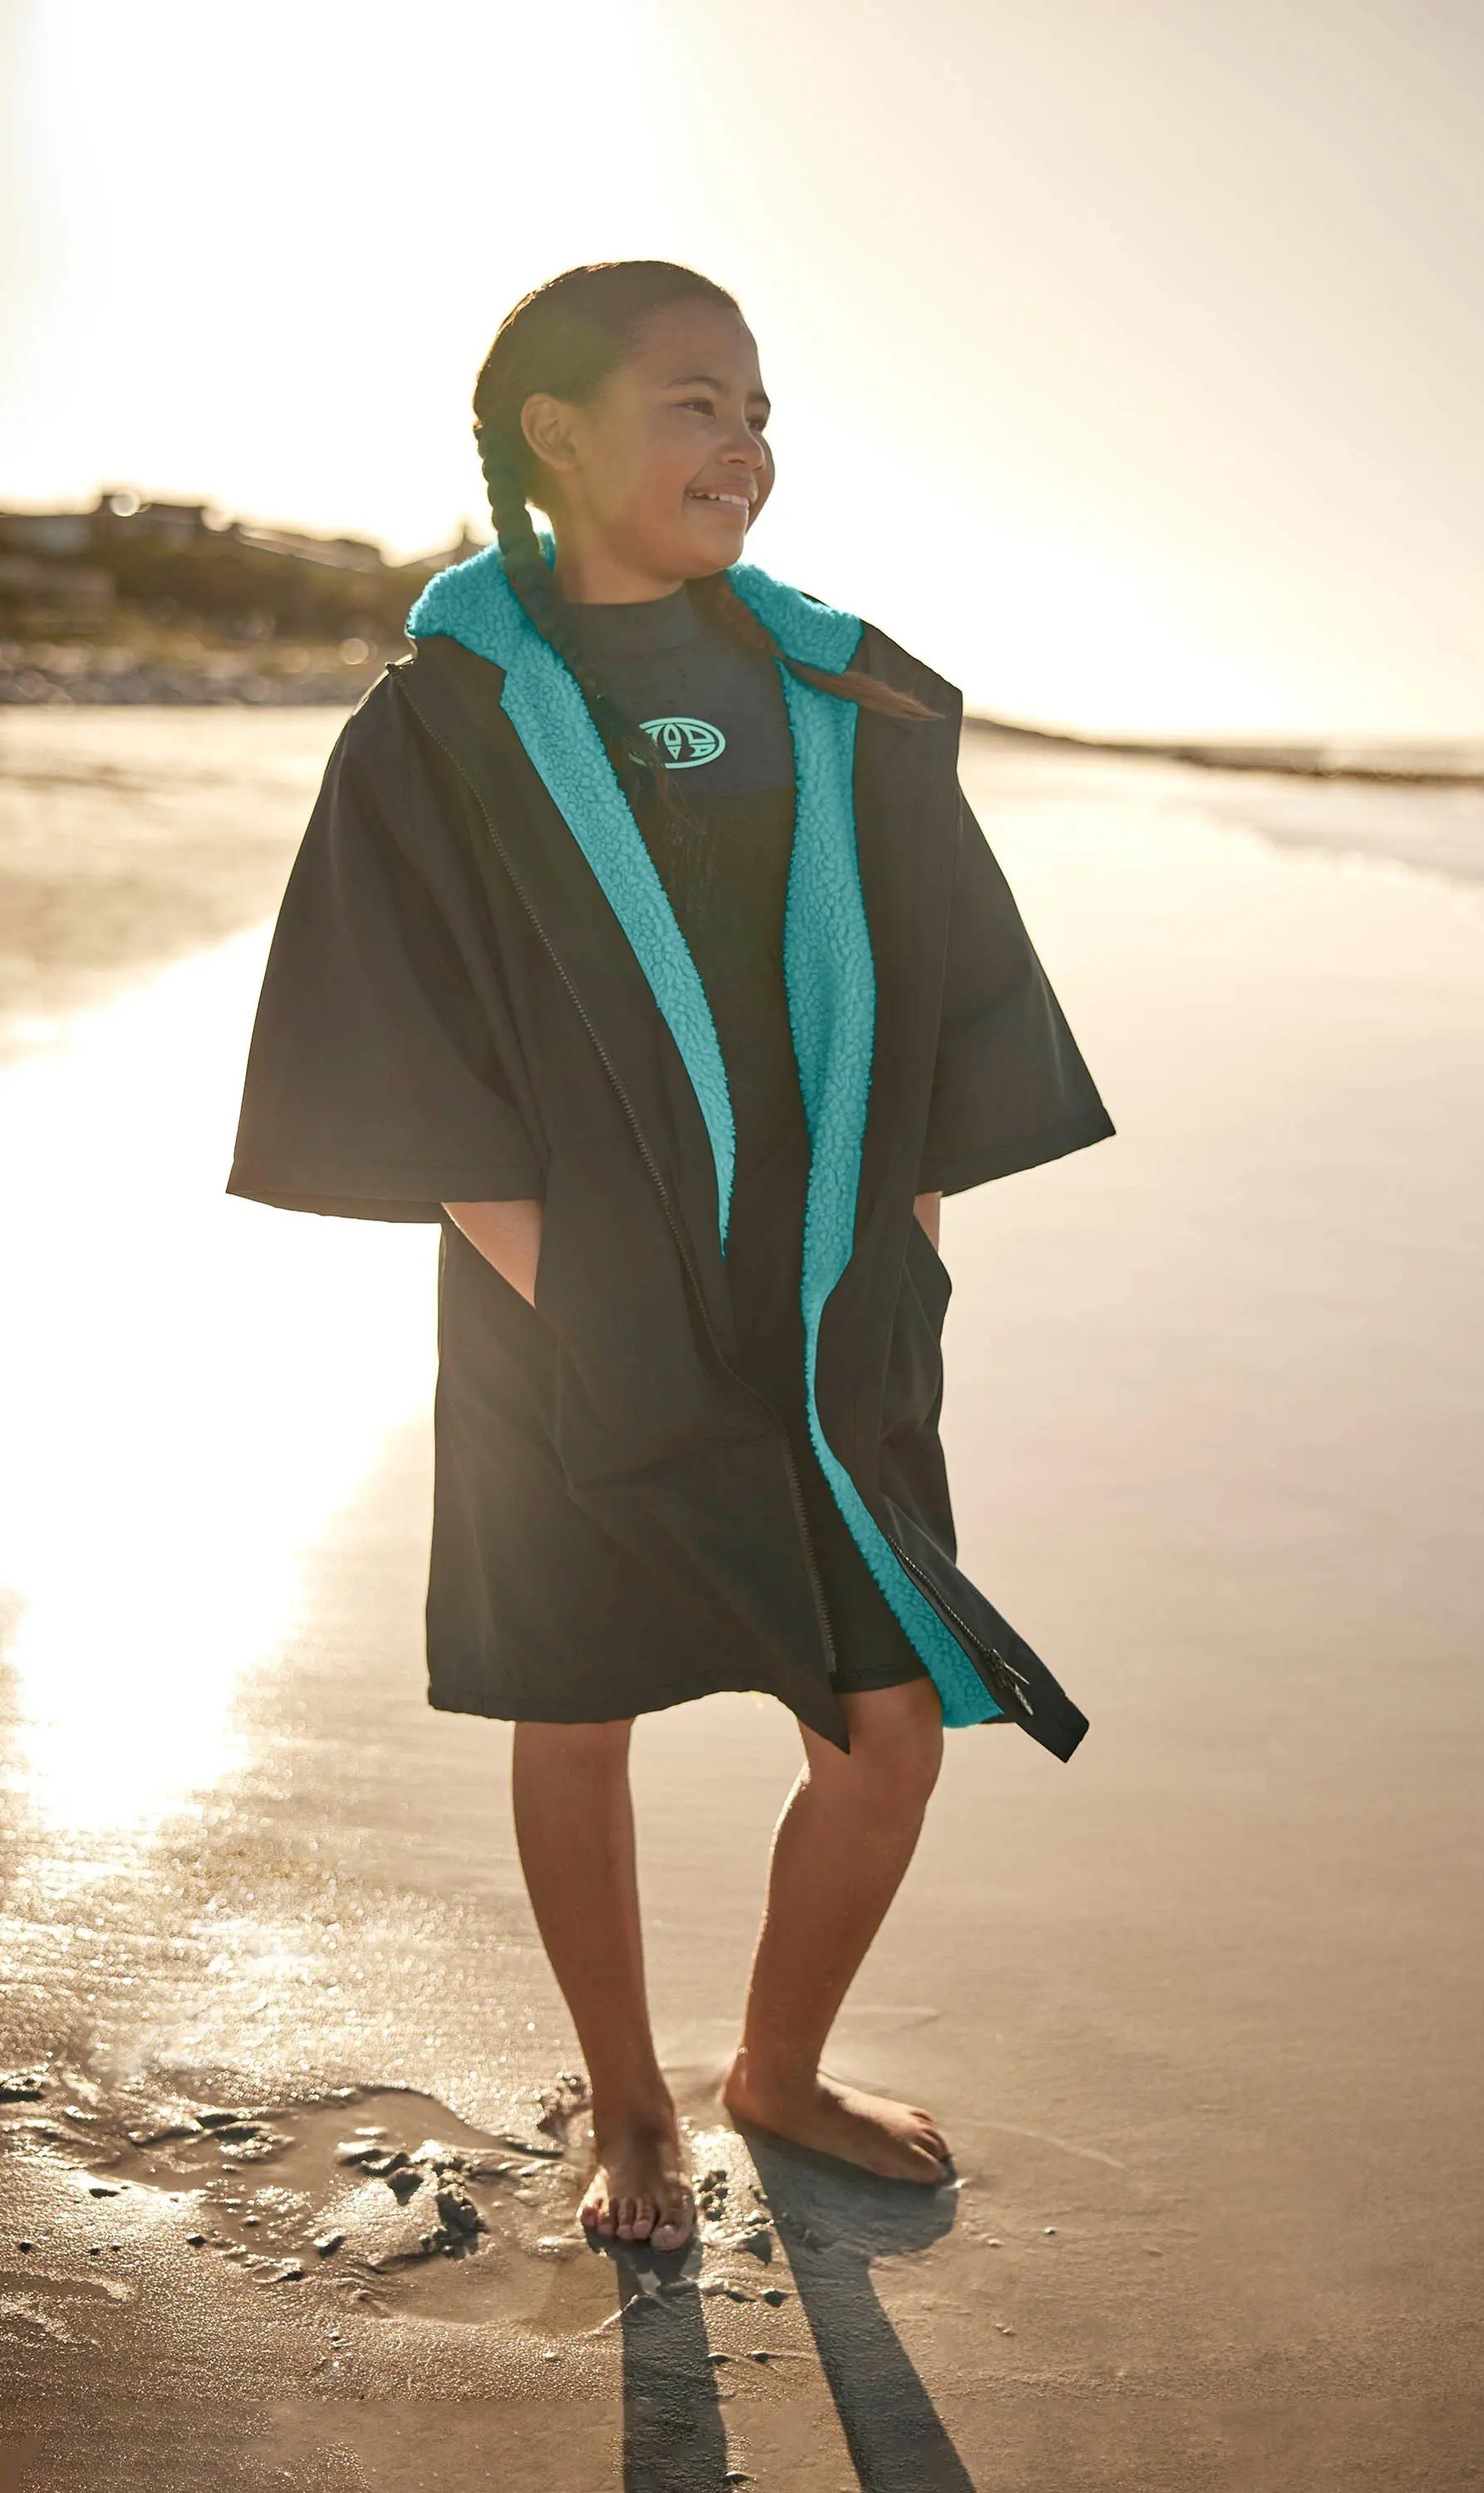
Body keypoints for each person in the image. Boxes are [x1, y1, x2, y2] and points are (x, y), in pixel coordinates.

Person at [228, 260, 1114, 2255]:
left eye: (759, 409)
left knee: (889, 1730)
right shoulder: (447, 720)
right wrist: (598, 1304)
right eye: (695, 403)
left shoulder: (840, 693)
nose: (743, 444)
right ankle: (629, 2102)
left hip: (818, 1304)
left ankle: (775, 2070)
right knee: (579, 1703)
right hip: (562, 1303)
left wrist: (896, 1261)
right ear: (555, 436)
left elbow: (943, 1002)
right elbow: (405, 1038)